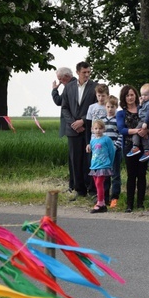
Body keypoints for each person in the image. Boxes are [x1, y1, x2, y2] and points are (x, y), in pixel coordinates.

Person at [61, 61, 97, 198]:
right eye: (84, 72)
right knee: (75, 160)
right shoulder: (69, 87)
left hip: (89, 129)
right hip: (72, 130)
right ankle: (79, 190)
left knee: (89, 160)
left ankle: (92, 189)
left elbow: (96, 106)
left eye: (89, 72)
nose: (87, 75)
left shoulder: (95, 87)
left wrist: (83, 120)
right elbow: (64, 107)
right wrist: (73, 123)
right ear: (77, 72)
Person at [117, 85, 148, 212]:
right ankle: (129, 204)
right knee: (131, 175)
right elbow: (121, 129)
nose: (130, 97)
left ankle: (140, 202)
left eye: (132, 94)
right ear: (124, 98)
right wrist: (137, 130)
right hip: (129, 146)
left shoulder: (143, 109)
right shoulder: (121, 113)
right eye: (127, 95)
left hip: (144, 146)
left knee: (142, 175)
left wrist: (146, 131)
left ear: (136, 95)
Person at [52, 67, 76, 188]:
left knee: (73, 158)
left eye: (60, 80)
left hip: (72, 126)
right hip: (74, 125)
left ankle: (73, 185)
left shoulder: (69, 86)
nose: (60, 82)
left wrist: (54, 90)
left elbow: (59, 101)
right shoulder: (72, 85)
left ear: (66, 77)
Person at [86, 119, 115, 214]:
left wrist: (110, 163)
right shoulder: (92, 140)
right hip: (94, 165)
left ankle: (100, 202)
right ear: (92, 129)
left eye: (100, 128)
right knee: (96, 184)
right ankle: (102, 204)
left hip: (104, 165)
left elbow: (112, 151)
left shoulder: (107, 139)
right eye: (96, 128)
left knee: (99, 183)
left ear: (104, 129)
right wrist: (88, 147)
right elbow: (92, 151)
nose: (98, 130)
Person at [103, 96, 123, 208]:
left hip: (115, 150)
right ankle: (104, 198)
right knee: (105, 175)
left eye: (112, 107)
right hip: (104, 152)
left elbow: (121, 134)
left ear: (116, 107)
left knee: (115, 174)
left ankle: (114, 197)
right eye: (108, 106)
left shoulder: (118, 120)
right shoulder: (102, 120)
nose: (110, 109)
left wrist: (115, 146)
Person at [126, 83, 149, 160]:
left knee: (136, 132)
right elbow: (139, 111)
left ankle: (135, 147)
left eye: (146, 95)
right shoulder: (144, 102)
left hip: (145, 120)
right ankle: (147, 151)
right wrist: (140, 104)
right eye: (142, 95)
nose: (143, 97)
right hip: (143, 120)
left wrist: (146, 122)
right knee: (143, 135)